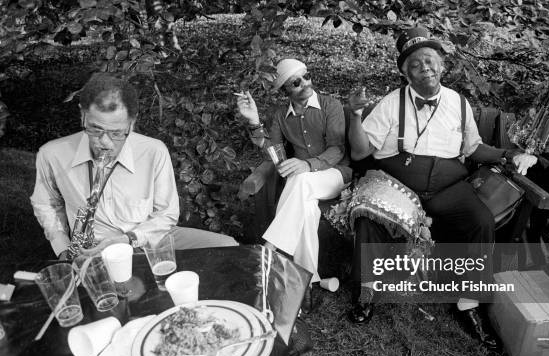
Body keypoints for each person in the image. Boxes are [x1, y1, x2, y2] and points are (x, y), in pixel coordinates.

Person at [346, 27, 537, 349]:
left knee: (480, 221)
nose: (425, 67)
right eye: (416, 63)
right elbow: (361, 153)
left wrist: (510, 154)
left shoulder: (458, 103)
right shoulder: (391, 104)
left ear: (442, 66)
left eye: (431, 60)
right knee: (369, 216)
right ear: (405, 72)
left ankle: (468, 301)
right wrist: (354, 115)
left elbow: (474, 148)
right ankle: (368, 291)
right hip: (399, 184)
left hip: (450, 187)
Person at [31, 73, 238, 259]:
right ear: (82, 115)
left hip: (149, 239)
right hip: (93, 249)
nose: (105, 143)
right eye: (95, 129)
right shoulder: (52, 154)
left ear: (132, 122)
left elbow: (167, 214)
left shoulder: (154, 151)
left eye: (117, 133)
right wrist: (63, 248)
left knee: (229, 247)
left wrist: (129, 239)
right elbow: (45, 204)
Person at [236, 59, 351, 283]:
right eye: (296, 82)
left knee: (300, 179)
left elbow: (337, 149)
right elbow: (275, 153)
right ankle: (308, 280)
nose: (305, 83)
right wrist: (254, 121)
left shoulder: (330, 105)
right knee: (307, 209)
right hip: (302, 186)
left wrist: (308, 165)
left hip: (336, 175)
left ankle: (269, 249)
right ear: (285, 90)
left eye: (306, 76)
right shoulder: (280, 115)